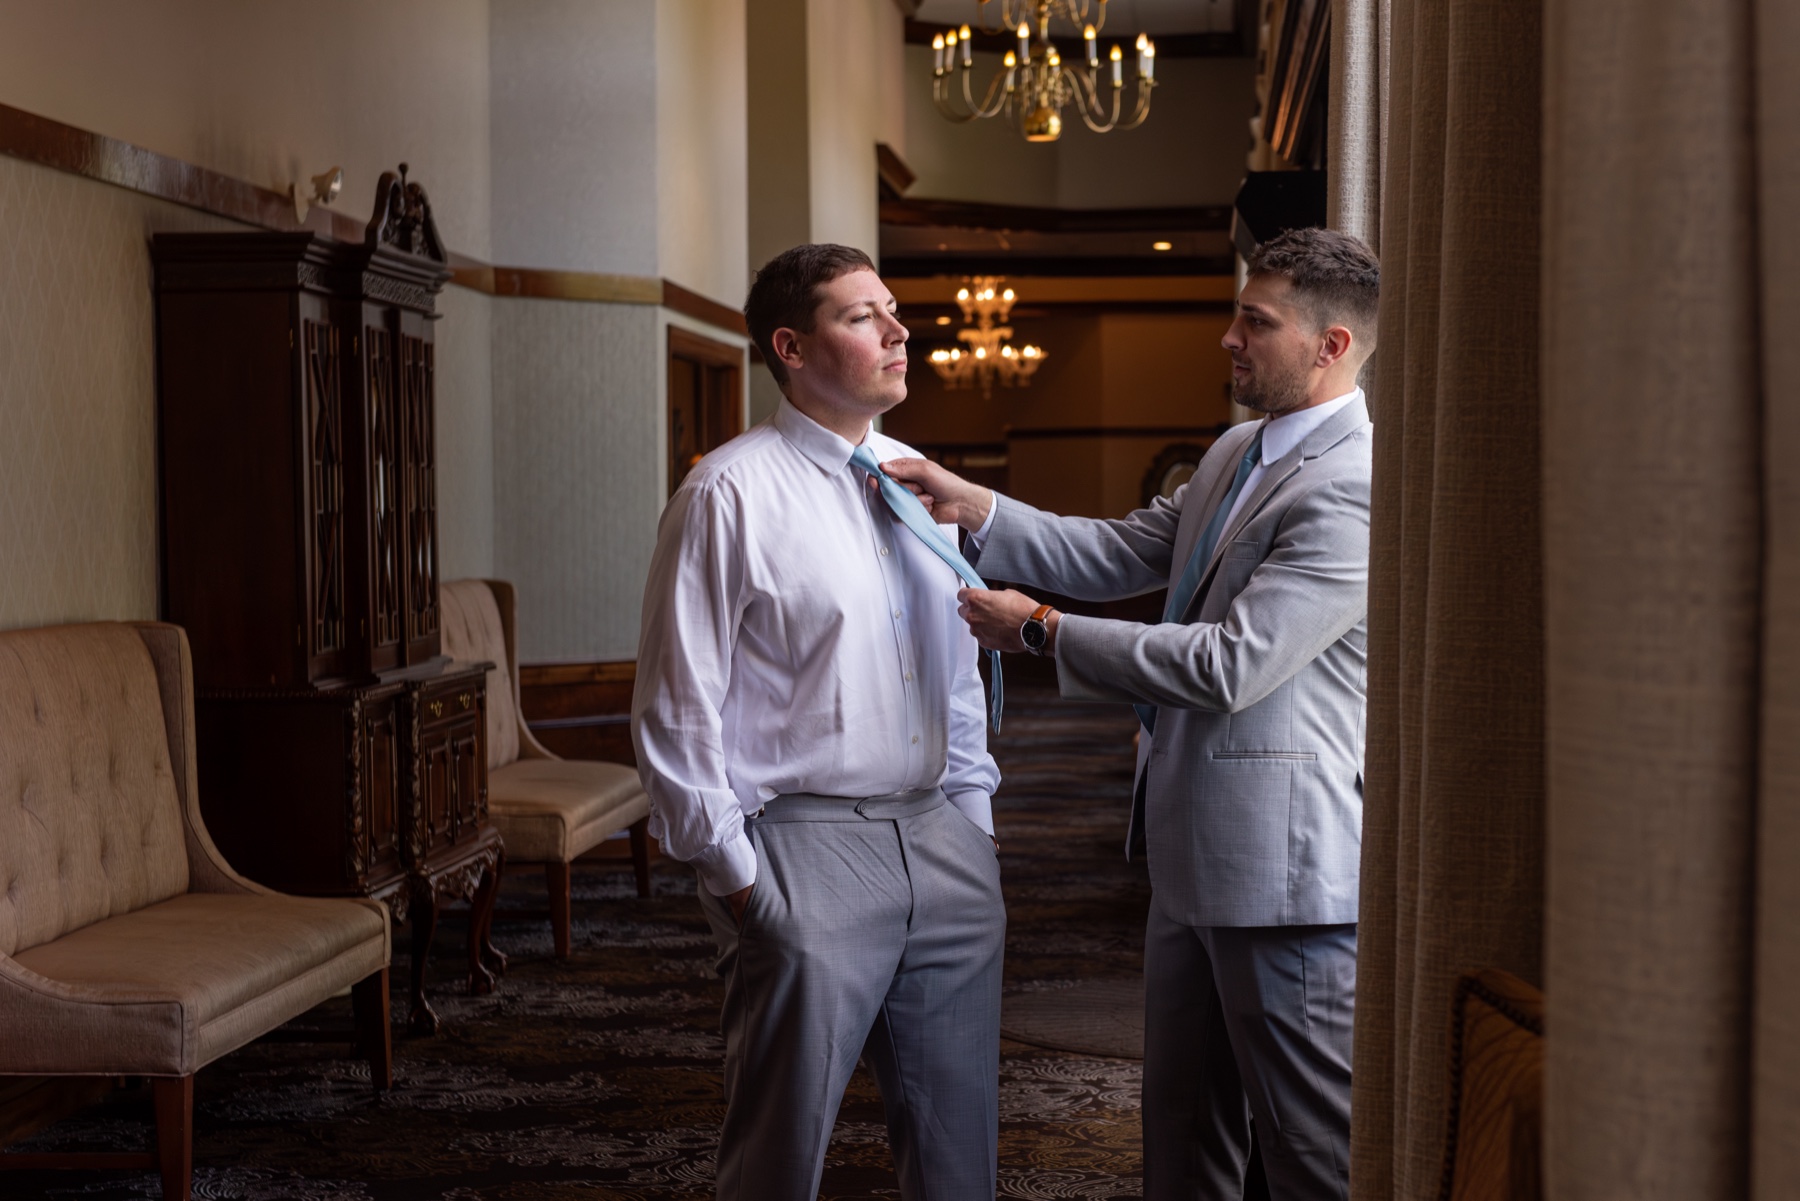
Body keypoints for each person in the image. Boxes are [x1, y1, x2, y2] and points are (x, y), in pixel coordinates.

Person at [883, 227, 1378, 1201]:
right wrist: (972, 505)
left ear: (1332, 347)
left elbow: (1229, 663)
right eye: (1237, 312)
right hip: (1187, 859)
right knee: (1181, 1144)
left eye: (1255, 320)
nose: (1228, 338)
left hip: (1286, 882)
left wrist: (1042, 633)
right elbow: (1122, 551)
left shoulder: (1356, 488)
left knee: (1313, 1155)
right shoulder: (1240, 448)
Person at [630, 243, 1006, 1201]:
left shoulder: (926, 484)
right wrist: (739, 878)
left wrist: (974, 824)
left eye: (893, 308)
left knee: (960, 1148)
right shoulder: (726, 493)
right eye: (861, 315)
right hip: (800, 850)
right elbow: (677, 706)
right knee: (776, 1155)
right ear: (791, 347)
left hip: (943, 839)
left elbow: (955, 671)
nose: (897, 329)